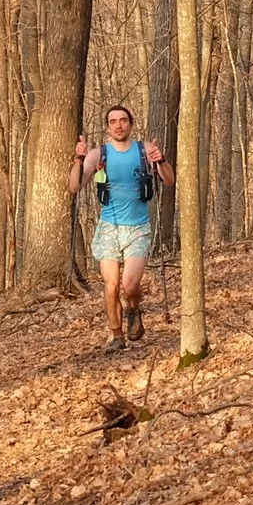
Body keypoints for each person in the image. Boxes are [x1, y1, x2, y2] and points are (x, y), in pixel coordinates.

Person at [70, 104, 173, 351]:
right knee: (111, 285)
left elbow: (169, 181)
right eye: (113, 121)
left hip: (138, 227)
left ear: (131, 124)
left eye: (123, 120)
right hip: (108, 227)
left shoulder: (145, 150)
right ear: (107, 127)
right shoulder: (98, 155)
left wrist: (162, 160)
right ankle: (117, 336)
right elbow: (74, 187)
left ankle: (134, 308)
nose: (119, 125)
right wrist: (78, 159)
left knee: (129, 285)